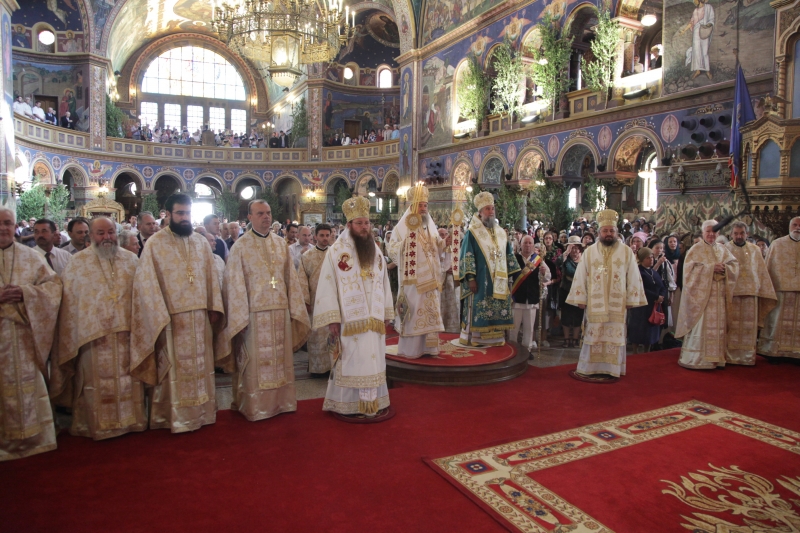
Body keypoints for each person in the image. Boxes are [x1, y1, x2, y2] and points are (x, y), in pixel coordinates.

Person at [129, 193, 224, 433]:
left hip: (200, 317)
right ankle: (170, 416)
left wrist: (213, 306)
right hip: (170, 319)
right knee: (173, 368)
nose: (185, 218)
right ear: (168, 214)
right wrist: (157, 316)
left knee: (200, 366)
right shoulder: (155, 243)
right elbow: (147, 284)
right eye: (180, 213)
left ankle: (202, 412)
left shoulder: (201, 242)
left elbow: (211, 277)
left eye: (188, 213)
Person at [50, 217, 147, 441]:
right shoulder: (78, 263)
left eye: (111, 232)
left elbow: (143, 296)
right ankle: (95, 426)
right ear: (91, 236)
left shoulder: (132, 260)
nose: (107, 237)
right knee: (95, 383)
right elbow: (70, 304)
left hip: (127, 335)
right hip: (92, 337)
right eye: (101, 233)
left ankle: (132, 423)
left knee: (127, 382)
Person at [216, 199, 310, 421]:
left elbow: (290, 279)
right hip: (253, 316)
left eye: (268, 213)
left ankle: (282, 402)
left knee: (280, 362)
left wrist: (295, 308)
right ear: (250, 217)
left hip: (280, 313)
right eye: (260, 213)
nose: (266, 217)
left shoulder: (280, 244)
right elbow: (234, 284)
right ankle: (255, 406)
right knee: (255, 364)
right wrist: (238, 318)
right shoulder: (240, 246)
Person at [313, 196, 394, 419]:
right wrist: (332, 319)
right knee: (351, 359)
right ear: (349, 225)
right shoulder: (336, 251)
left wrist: (387, 311)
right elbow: (327, 285)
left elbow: (384, 282)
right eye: (359, 223)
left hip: (374, 319)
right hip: (349, 322)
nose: (364, 227)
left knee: (373, 358)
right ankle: (347, 404)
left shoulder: (376, 250)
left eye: (367, 223)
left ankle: (373, 402)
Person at [0, 208, 62, 461]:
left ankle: (32, 439)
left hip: (23, 338)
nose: (3, 228)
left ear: (14, 226)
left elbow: (53, 287)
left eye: (7, 223)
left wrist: (26, 293)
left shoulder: (30, 257)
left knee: (25, 384)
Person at [566, 209, 647, 379]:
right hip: (595, 303)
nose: (608, 234)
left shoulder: (626, 252)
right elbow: (581, 275)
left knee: (615, 337)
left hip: (617, 304)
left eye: (611, 231)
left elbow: (633, 275)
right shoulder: (589, 252)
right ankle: (590, 368)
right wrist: (580, 298)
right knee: (593, 335)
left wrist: (632, 299)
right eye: (605, 231)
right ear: (599, 232)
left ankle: (613, 369)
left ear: (616, 232)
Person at [387, 183, 446, 358]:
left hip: (431, 280)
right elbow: (392, 249)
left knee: (429, 314)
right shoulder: (401, 227)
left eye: (425, 205)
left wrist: (444, 244)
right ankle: (410, 350)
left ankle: (429, 349)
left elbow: (435, 246)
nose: (423, 209)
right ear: (412, 206)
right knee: (413, 314)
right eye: (420, 205)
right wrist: (405, 244)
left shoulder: (429, 226)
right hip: (412, 281)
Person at [457, 192, 521, 347]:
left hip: (499, 280)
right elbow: (467, 255)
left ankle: (496, 338)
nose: (491, 211)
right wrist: (470, 278)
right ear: (480, 212)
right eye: (487, 209)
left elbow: (508, 254)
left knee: (497, 307)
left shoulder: (501, 232)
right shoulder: (472, 233)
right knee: (481, 305)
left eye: (492, 208)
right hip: (480, 280)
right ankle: (477, 337)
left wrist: (513, 276)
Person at [675, 220, 739, 370]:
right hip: (702, 300)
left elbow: (734, 265)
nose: (711, 234)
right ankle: (698, 359)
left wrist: (725, 268)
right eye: (708, 231)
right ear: (703, 232)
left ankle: (717, 358)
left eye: (714, 231)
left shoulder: (723, 249)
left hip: (719, 297)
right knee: (701, 326)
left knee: (719, 327)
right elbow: (688, 273)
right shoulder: (695, 250)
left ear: (719, 233)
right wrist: (710, 269)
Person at [723, 222, 776, 365]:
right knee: (731, 326)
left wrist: (764, 290)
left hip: (751, 293)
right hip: (732, 293)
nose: (739, 236)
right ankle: (729, 356)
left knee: (748, 327)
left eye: (742, 233)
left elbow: (761, 271)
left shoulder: (755, 249)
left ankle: (747, 357)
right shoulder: (724, 249)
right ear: (731, 234)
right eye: (736, 233)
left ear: (747, 234)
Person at [758, 217, 800, 361]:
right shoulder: (778, 244)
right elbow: (768, 267)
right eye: (794, 224)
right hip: (781, 290)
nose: (798, 227)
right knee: (777, 321)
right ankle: (774, 352)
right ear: (789, 227)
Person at [299, 224, 334, 375]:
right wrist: (306, 301)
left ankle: (333, 366)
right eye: (322, 235)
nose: (325, 238)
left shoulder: (335, 254)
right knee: (316, 335)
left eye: (328, 235)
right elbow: (301, 280)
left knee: (332, 334)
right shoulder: (307, 256)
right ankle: (317, 368)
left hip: (333, 301)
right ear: (315, 236)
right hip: (315, 301)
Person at [510, 235, 551, 353]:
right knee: (513, 328)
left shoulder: (538, 260)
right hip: (516, 299)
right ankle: (512, 351)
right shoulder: (514, 259)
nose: (528, 245)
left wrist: (543, 273)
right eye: (525, 243)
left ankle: (526, 351)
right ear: (520, 245)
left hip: (532, 299)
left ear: (533, 246)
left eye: (530, 243)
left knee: (529, 329)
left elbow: (547, 277)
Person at [627, 247, 667, 353]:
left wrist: (662, 296)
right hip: (642, 306)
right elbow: (641, 288)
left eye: (652, 257)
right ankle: (635, 351)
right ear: (642, 259)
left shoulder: (653, 272)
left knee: (650, 330)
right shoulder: (638, 271)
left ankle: (647, 351)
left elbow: (662, 286)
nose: (651, 260)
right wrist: (655, 297)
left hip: (654, 306)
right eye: (648, 258)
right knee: (639, 329)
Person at [557, 236, 585, 348]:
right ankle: (566, 339)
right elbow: (557, 263)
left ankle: (575, 339)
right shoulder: (565, 259)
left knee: (578, 315)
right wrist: (566, 252)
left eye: (577, 248)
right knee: (566, 316)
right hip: (566, 290)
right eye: (572, 248)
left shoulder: (584, 260)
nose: (575, 250)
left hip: (579, 291)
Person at [438, 226, 460, 334]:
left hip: (451, 278)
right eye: (441, 235)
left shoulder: (454, 247)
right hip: (439, 278)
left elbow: (458, 260)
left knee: (453, 301)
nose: (444, 237)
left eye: (445, 234)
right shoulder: (437, 247)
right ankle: (440, 325)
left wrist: (455, 268)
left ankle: (452, 326)